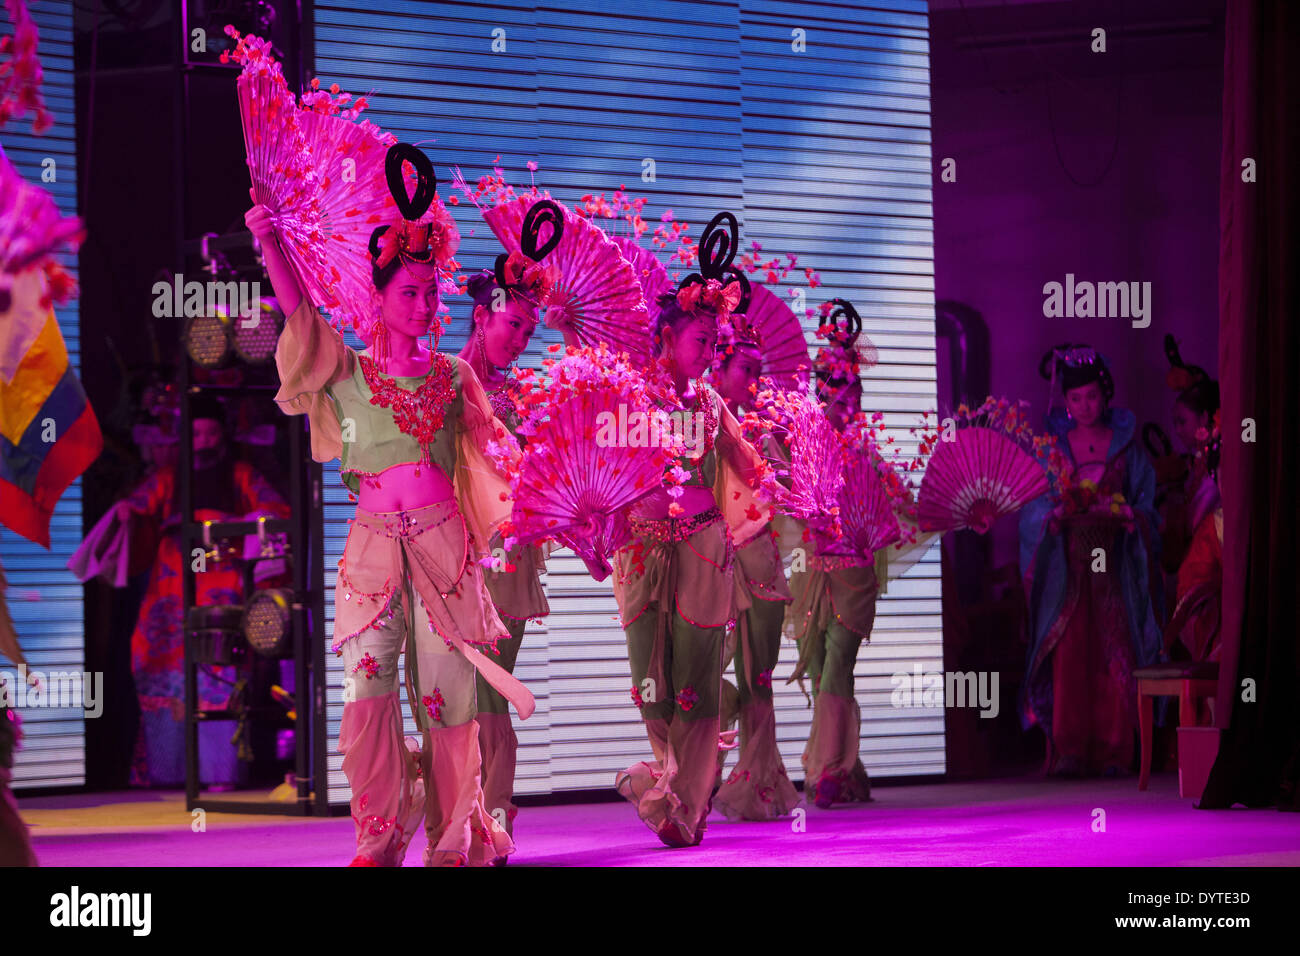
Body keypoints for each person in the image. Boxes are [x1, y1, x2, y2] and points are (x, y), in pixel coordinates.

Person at [248, 146, 534, 866]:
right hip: (373, 556)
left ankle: (450, 838)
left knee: (447, 707)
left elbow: (501, 463)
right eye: (408, 292)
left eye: (431, 293)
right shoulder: (349, 374)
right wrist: (267, 240)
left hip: (444, 557)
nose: (424, 305)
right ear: (377, 297)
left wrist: (567, 505)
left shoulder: (456, 375)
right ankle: (376, 836)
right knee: (365, 703)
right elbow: (297, 314)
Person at [612, 221, 769, 847]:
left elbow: (748, 463)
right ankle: (669, 784)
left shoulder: (709, 406)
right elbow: (611, 474)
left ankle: (683, 800)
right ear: (669, 336)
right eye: (702, 340)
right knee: (649, 677)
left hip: (703, 548)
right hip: (644, 549)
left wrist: (779, 465)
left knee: (696, 678)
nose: (709, 353)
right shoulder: (631, 399)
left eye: (715, 342)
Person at [72, 394, 289, 787]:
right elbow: (136, 507)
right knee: (155, 666)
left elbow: (276, 511)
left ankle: (219, 773)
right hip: (171, 590)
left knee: (219, 670)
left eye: (210, 433)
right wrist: (128, 513)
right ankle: (166, 774)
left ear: (221, 435)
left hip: (221, 583)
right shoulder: (170, 477)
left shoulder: (240, 475)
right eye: (197, 433)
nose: (204, 441)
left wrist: (247, 523)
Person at [457, 243, 573, 841]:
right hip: (447, 554)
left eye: (529, 329)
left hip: (502, 557)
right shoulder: (443, 383)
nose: (523, 337)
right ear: (482, 316)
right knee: (444, 694)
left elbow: (546, 475)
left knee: (491, 686)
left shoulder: (525, 396)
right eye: (514, 325)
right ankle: (455, 815)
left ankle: (493, 817)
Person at [1019, 345, 1162, 776]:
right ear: (1066, 402)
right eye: (1076, 399)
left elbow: (1149, 506)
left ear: (1106, 395)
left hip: (1112, 562)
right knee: (1070, 652)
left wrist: (1128, 516)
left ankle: (1117, 748)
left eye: (1093, 397)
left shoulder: (1128, 449)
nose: (1085, 406)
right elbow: (1032, 509)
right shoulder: (1053, 449)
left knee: (1114, 645)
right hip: (1068, 566)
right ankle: (1071, 747)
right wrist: (1053, 515)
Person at [784, 305, 881, 808]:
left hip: (856, 575)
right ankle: (849, 770)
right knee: (823, 670)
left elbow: (897, 513)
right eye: (839, 396)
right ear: (823, 397)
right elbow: (786, 509)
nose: (849, 405)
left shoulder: (869, 453)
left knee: (839, 660)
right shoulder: (806, 449)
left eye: (855, 395)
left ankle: (824, 771)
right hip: (813, 574)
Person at [709, 324, 800, 820]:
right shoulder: (698, 425)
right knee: (700, 674)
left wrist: (780, 458)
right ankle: (704, 774)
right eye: (746, 370)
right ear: (718, 369)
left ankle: (759, 783)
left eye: (758, 373)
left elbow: (782, 496)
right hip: (711, 564)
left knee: (758, 677)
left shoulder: (764, 433)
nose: (754, 382)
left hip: (759, 561)